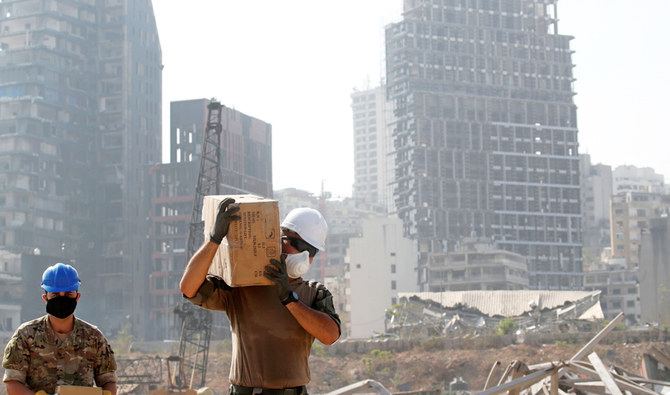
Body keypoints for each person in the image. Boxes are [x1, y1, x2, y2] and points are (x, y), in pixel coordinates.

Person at [180, 198, 340, 394]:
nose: (304, 254)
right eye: (295, 243)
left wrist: (289, 299)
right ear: (280, 240)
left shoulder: (315, 293)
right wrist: (214, 239)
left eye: (311, 250)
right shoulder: (244, 285)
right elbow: (189, 288)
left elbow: (330, 335)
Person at [2, 263, 117, 395]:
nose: (62, 299)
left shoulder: (94, 338)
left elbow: (108, 381)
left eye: (68, 294)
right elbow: (13, 384)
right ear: (45, 298)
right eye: (55, 295)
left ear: (77, 297)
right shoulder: (26, 336)